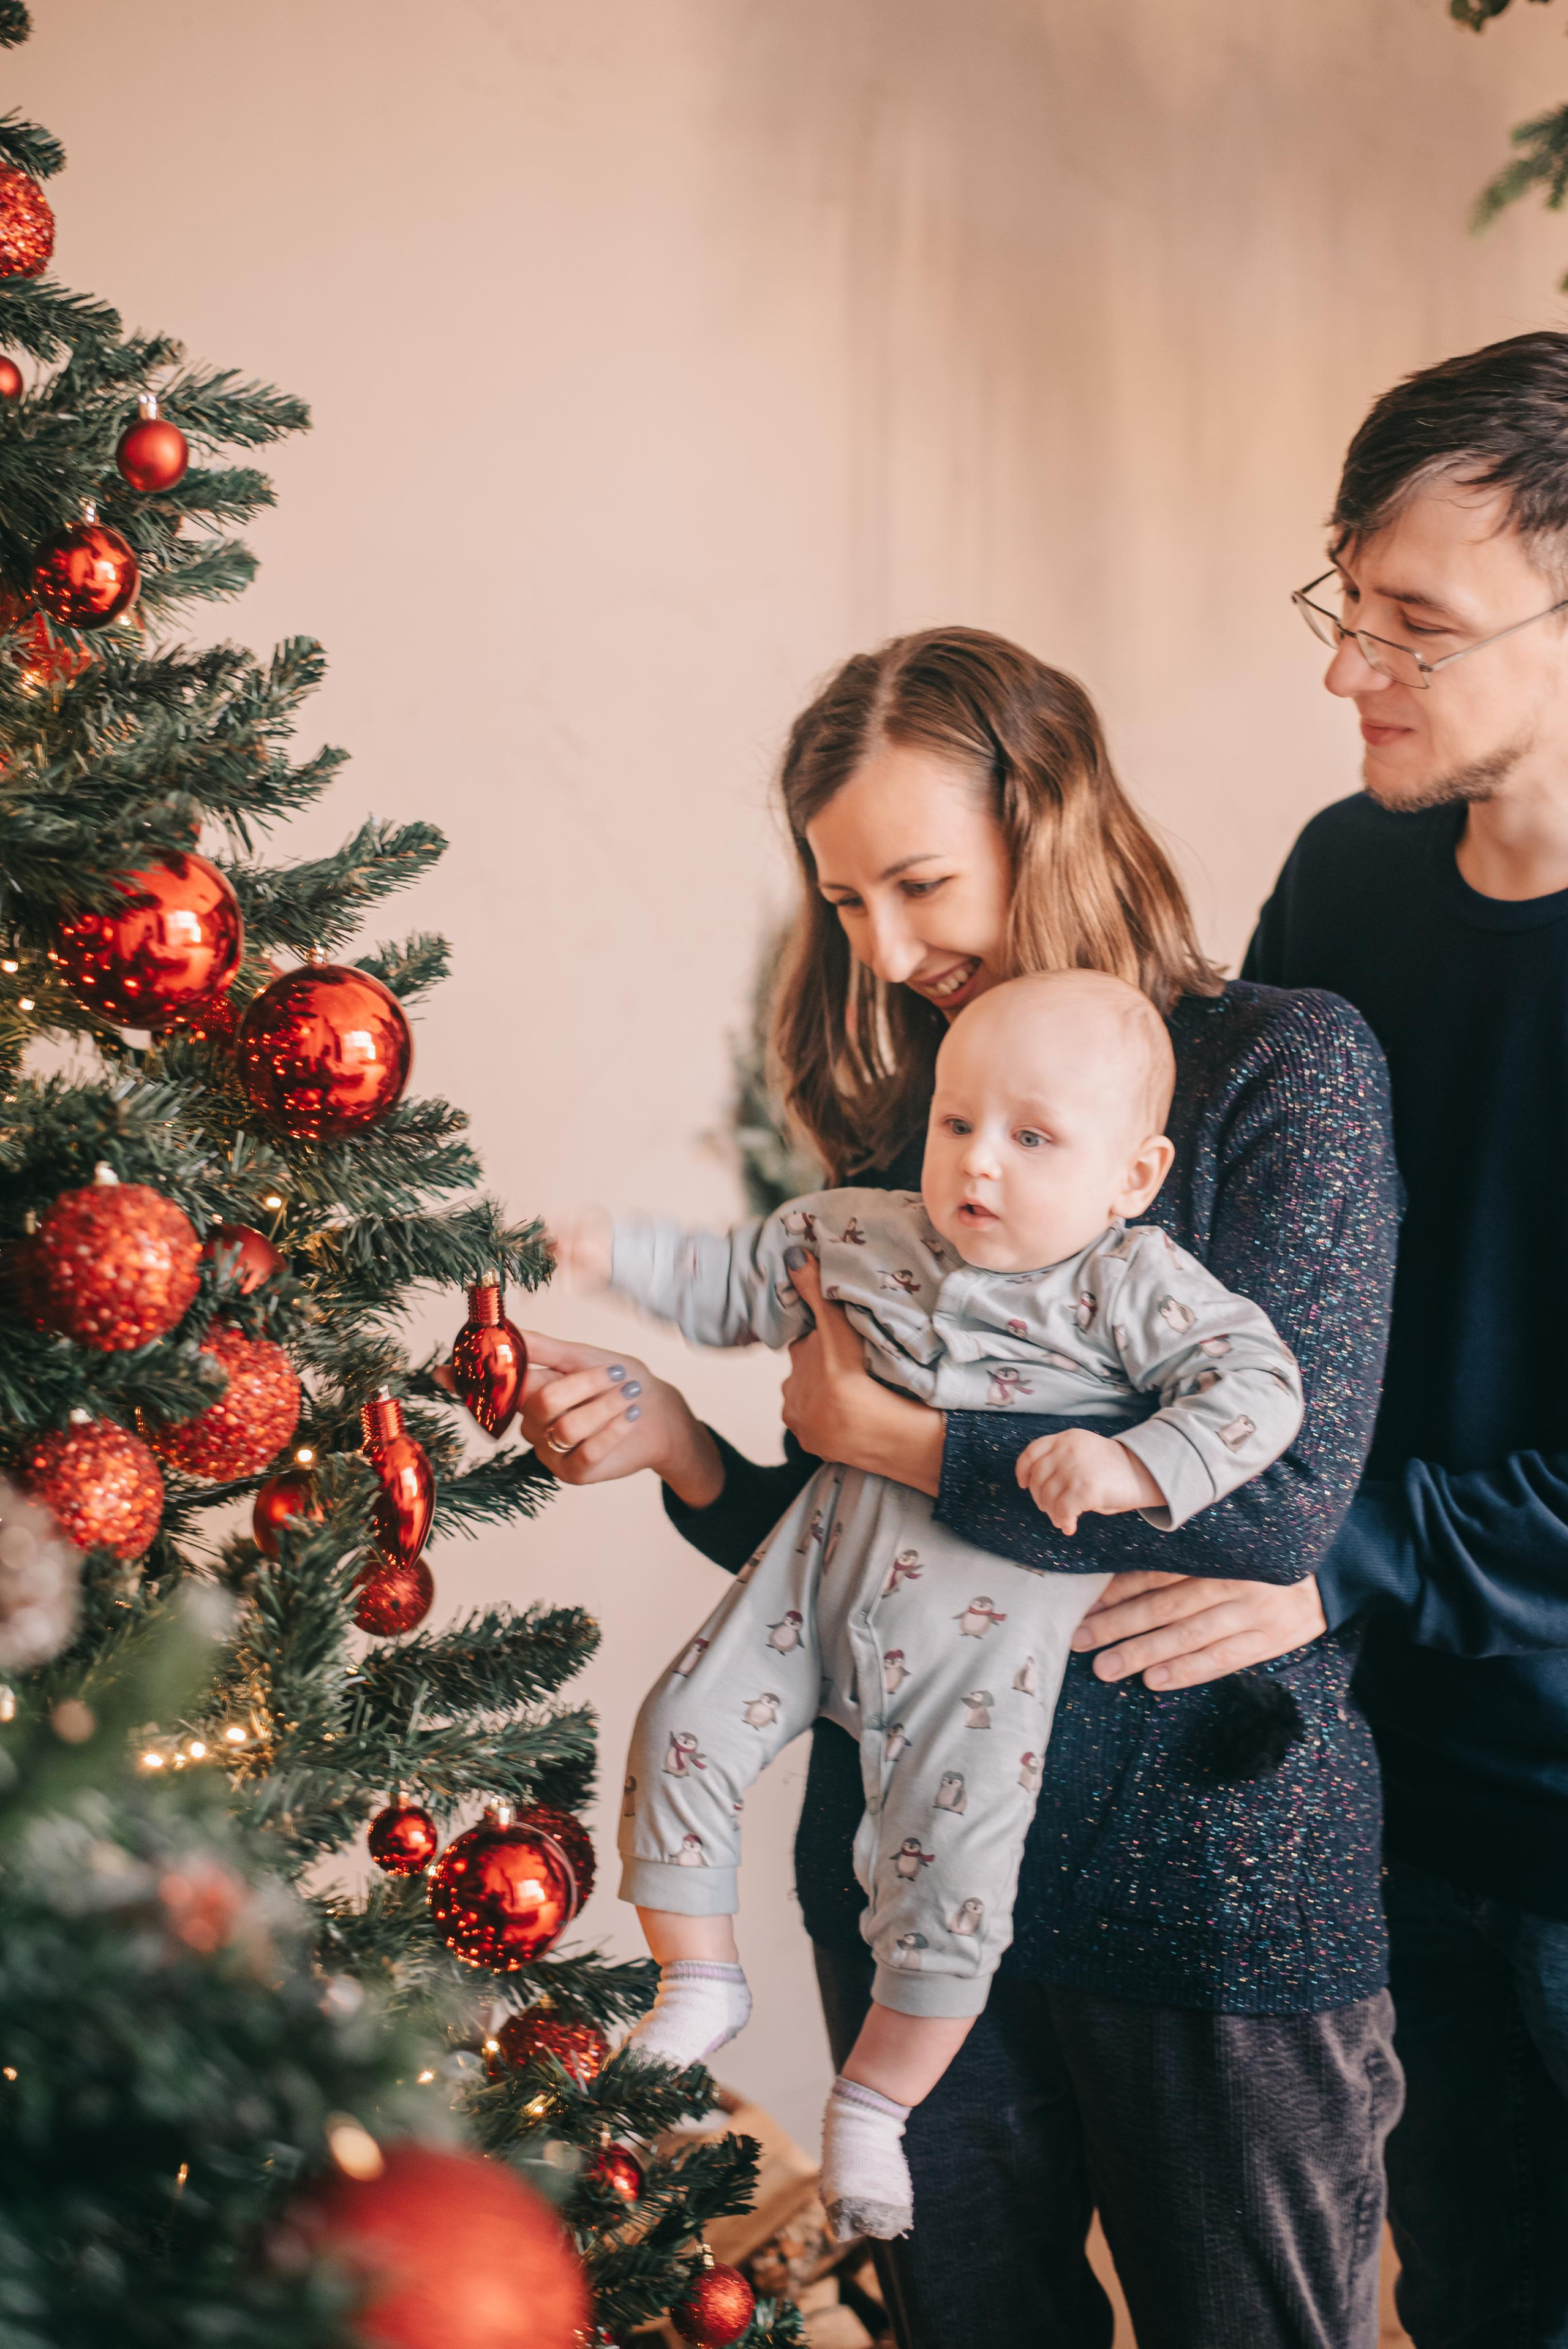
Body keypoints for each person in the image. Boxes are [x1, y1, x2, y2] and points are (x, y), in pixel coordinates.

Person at [521, 628, 1401, 2349]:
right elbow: (848, 1546)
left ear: (1048, 818)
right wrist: (680, 1445)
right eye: (846, 902)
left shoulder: (1283, 1071)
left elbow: (1274, 1502)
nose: (890, 948)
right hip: (912, 1879)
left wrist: (912, 1442)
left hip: (1206, 1879)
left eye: (920, 883)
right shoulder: (919, 1120)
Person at [560, 970, 1301, 2242]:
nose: (979, 1165)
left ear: (1131, 1175)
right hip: (809, 1577)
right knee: (678, 1723)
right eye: (957, 1123)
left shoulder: (1131, 1284)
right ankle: (699, 1978)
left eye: (1031, 1138)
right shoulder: (862, 1230)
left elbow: (1258, 1391)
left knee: (951, 1893)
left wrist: (1133, 1464)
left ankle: (873, 2109)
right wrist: (614, 1253)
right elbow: (735, 1276)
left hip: (977, 1646)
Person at [1243, 330, 1568, 2349]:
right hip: (1381, 1795)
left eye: (1415, 624)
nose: (1348, 668)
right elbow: (1230, 1286)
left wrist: (1324, 1556)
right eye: (1344, 602)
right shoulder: (1342, 877)